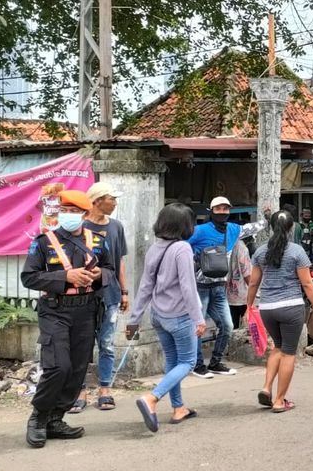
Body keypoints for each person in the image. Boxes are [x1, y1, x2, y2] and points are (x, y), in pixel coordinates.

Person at [20, 189, 115, 448]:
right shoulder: (43, 242)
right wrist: (65, 277)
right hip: (55, 310)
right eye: (65, 211)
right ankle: (38, 418)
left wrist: (97, 276)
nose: (69, 215)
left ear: (85, 215)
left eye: (74, 212)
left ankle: (56, 419)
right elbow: (28, 277)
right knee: (58, 366)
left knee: (77, 368)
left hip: (86, 311)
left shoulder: (97, 240)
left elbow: (110, 270)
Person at [125, 204, 206, 432]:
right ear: (184, 226)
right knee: (188, 362)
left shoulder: (155, 248)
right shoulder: (182, 248)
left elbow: (145, 286)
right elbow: (188, 288)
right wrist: (199, 319)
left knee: (173, 362)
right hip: (179, 317)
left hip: (158, 316)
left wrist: (134, 319)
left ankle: (178, 408)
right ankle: (152, 398)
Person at [247, 210, 313, 413]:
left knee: (278, 347)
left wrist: (249, 306)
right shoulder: (297, 251)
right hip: (291, 307)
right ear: (292, 228)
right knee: (289, 353)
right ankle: (280, 400)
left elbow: (254, 282)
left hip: (267, 308)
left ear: (271, 227)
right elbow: (308, 284)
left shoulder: (260, 252)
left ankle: (266, 388)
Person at [70, 182, 130, 414]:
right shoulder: (79, 227)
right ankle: (80, 390)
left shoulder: (116, 227)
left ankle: (105, 389)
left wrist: (124, 291)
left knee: (106, 343)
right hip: (83, 296)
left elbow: (120, 262)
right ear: (96, 201)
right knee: (82, 344)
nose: (115, 203)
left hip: (111, 294)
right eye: (111, 198)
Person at [187, 196, 244, 378]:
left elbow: (253, 228)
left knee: (227, 325)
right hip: (200, 286)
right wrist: (194, 258)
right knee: (198, 326)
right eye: (218, 209)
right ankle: (197, 365)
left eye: (225, 209)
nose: (222, 212)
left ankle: (215, 362)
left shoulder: (234, 230)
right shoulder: (200, 230)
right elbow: (182, 246)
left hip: (219, 286)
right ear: (211, 211)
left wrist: (268, 217)